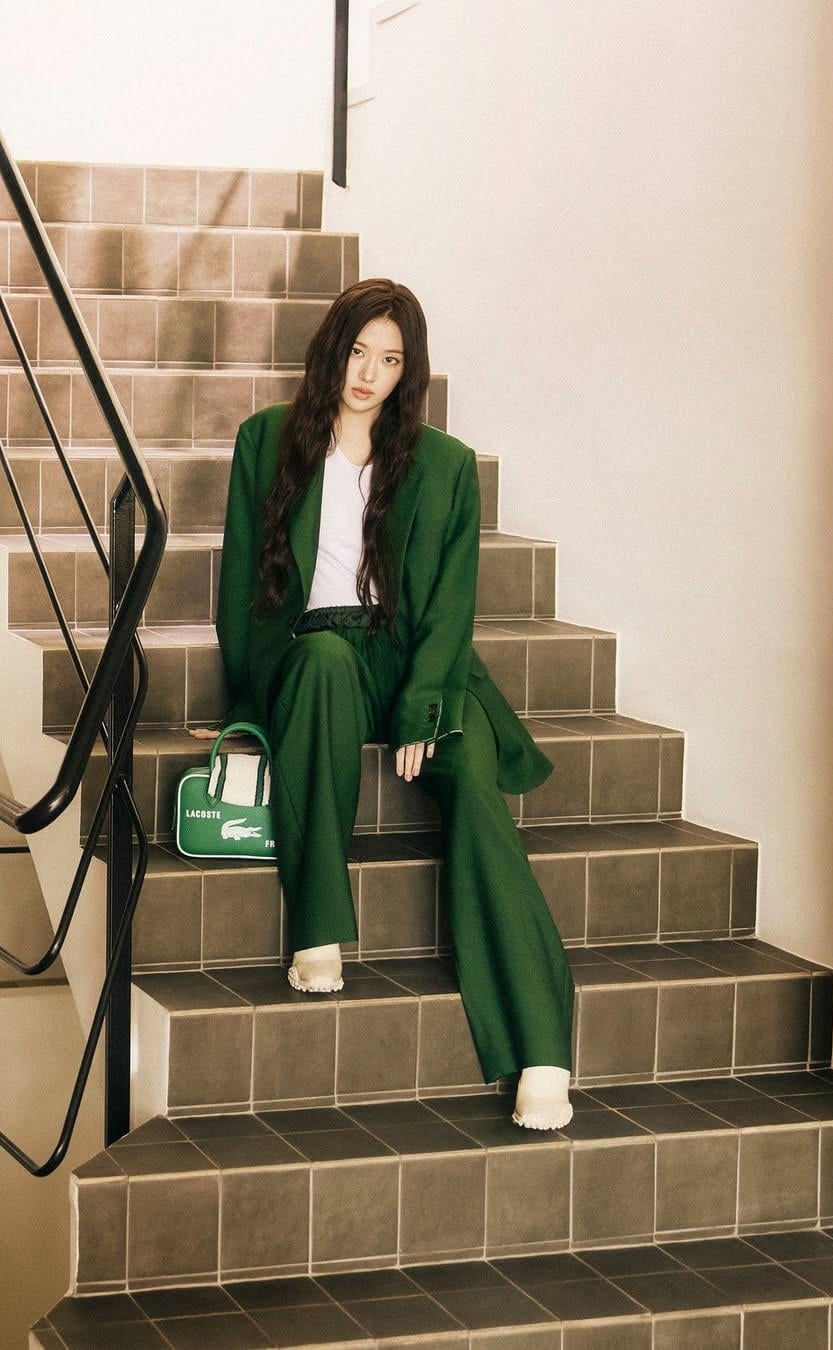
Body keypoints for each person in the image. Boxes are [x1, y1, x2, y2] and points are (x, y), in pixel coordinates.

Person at [187, 278, 575, 1130]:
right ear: (333, 349)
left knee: (477, 795)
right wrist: (251, 705)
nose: (369, 374)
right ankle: (318, 927)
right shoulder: (267, 440)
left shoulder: (446, 465)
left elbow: (451, 606)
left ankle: (542, 1047)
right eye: (359, 352)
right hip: (316, 651)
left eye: (391, 360)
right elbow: (244, 586)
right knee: (324, 662)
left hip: (419, 661)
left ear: (409, 372)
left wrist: (424, 708)